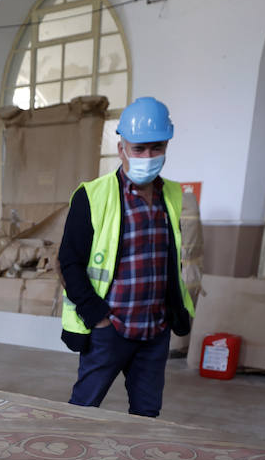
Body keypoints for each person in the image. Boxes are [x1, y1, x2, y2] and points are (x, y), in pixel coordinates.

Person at [58, 96, 194, 417]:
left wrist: (174, 313)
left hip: (154, 331)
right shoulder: (92, 195)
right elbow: (70, 263)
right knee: (83, 410)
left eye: (156, 147)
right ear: (122, 149)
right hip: (111, 329)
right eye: (139, 149)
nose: (148, 156)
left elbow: (169, 263)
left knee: (147, 417)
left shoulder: (172, 195)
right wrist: (99, 319)